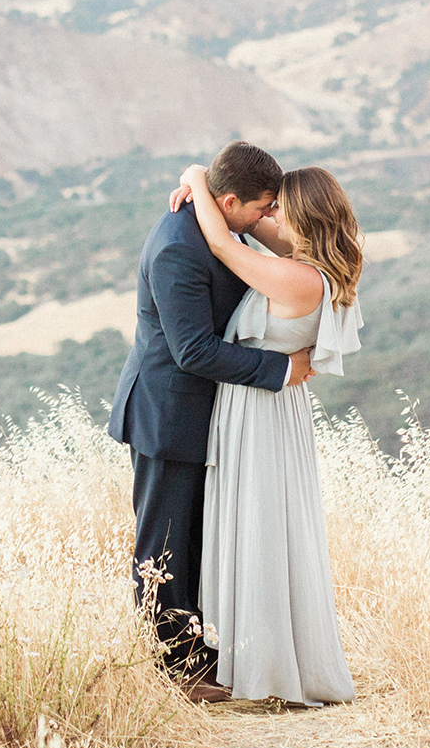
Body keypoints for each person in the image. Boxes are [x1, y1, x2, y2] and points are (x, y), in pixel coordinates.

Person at [107, 141, 312, 702]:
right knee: (164, 544)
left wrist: (194, 174)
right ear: (229, 200)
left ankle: (200, 654)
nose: (269, 218)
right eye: (263, 208)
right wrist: (281, 370)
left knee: (196, 536)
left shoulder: (220, 222)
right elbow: (192, 351)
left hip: (205, 413)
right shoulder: (178, 248)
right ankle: (175, 671)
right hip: (166, 412)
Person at [171, 160, 362, 706]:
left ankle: (266, 669)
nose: (271, 215)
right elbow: (248, 225)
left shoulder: (297, 277)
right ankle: (262, 658)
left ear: (304, 216)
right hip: (271, 406)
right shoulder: (312, 265)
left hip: (259, 411)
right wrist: (217, 197)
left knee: (258, 528)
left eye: (282, 208)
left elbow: (229, 247)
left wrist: (197, 174)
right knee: (267, 526)